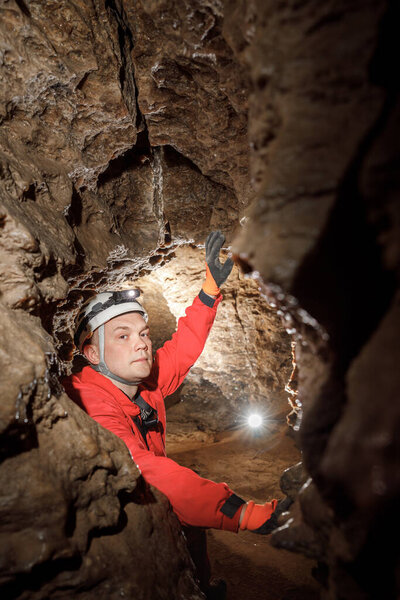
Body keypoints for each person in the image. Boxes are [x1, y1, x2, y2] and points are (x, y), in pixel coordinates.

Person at [63, 231, 291, 599]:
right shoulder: (89, 403)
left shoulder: (141, 380)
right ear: (91, 354)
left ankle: (198, 587)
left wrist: (209, 291)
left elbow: (182, 349)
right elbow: (148, 472)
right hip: (112, 520)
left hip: (156, 496)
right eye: (122, 336)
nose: (141, 342)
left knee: (190, 526)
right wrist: (241, 512)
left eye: (143, 332)